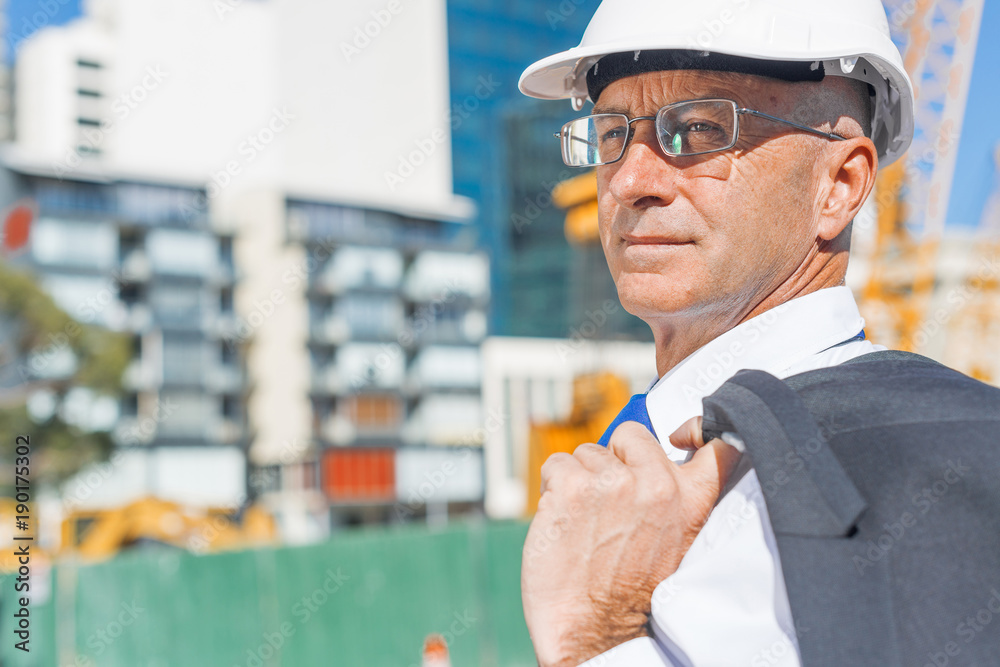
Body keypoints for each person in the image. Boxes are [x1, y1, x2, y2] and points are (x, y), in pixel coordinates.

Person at [515, 1, 919, 665]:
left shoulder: (903, 480)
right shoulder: (647, 442)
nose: (631, 179)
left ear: (840, 185)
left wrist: (599, 637)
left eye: (699, 129)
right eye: (612, 133)